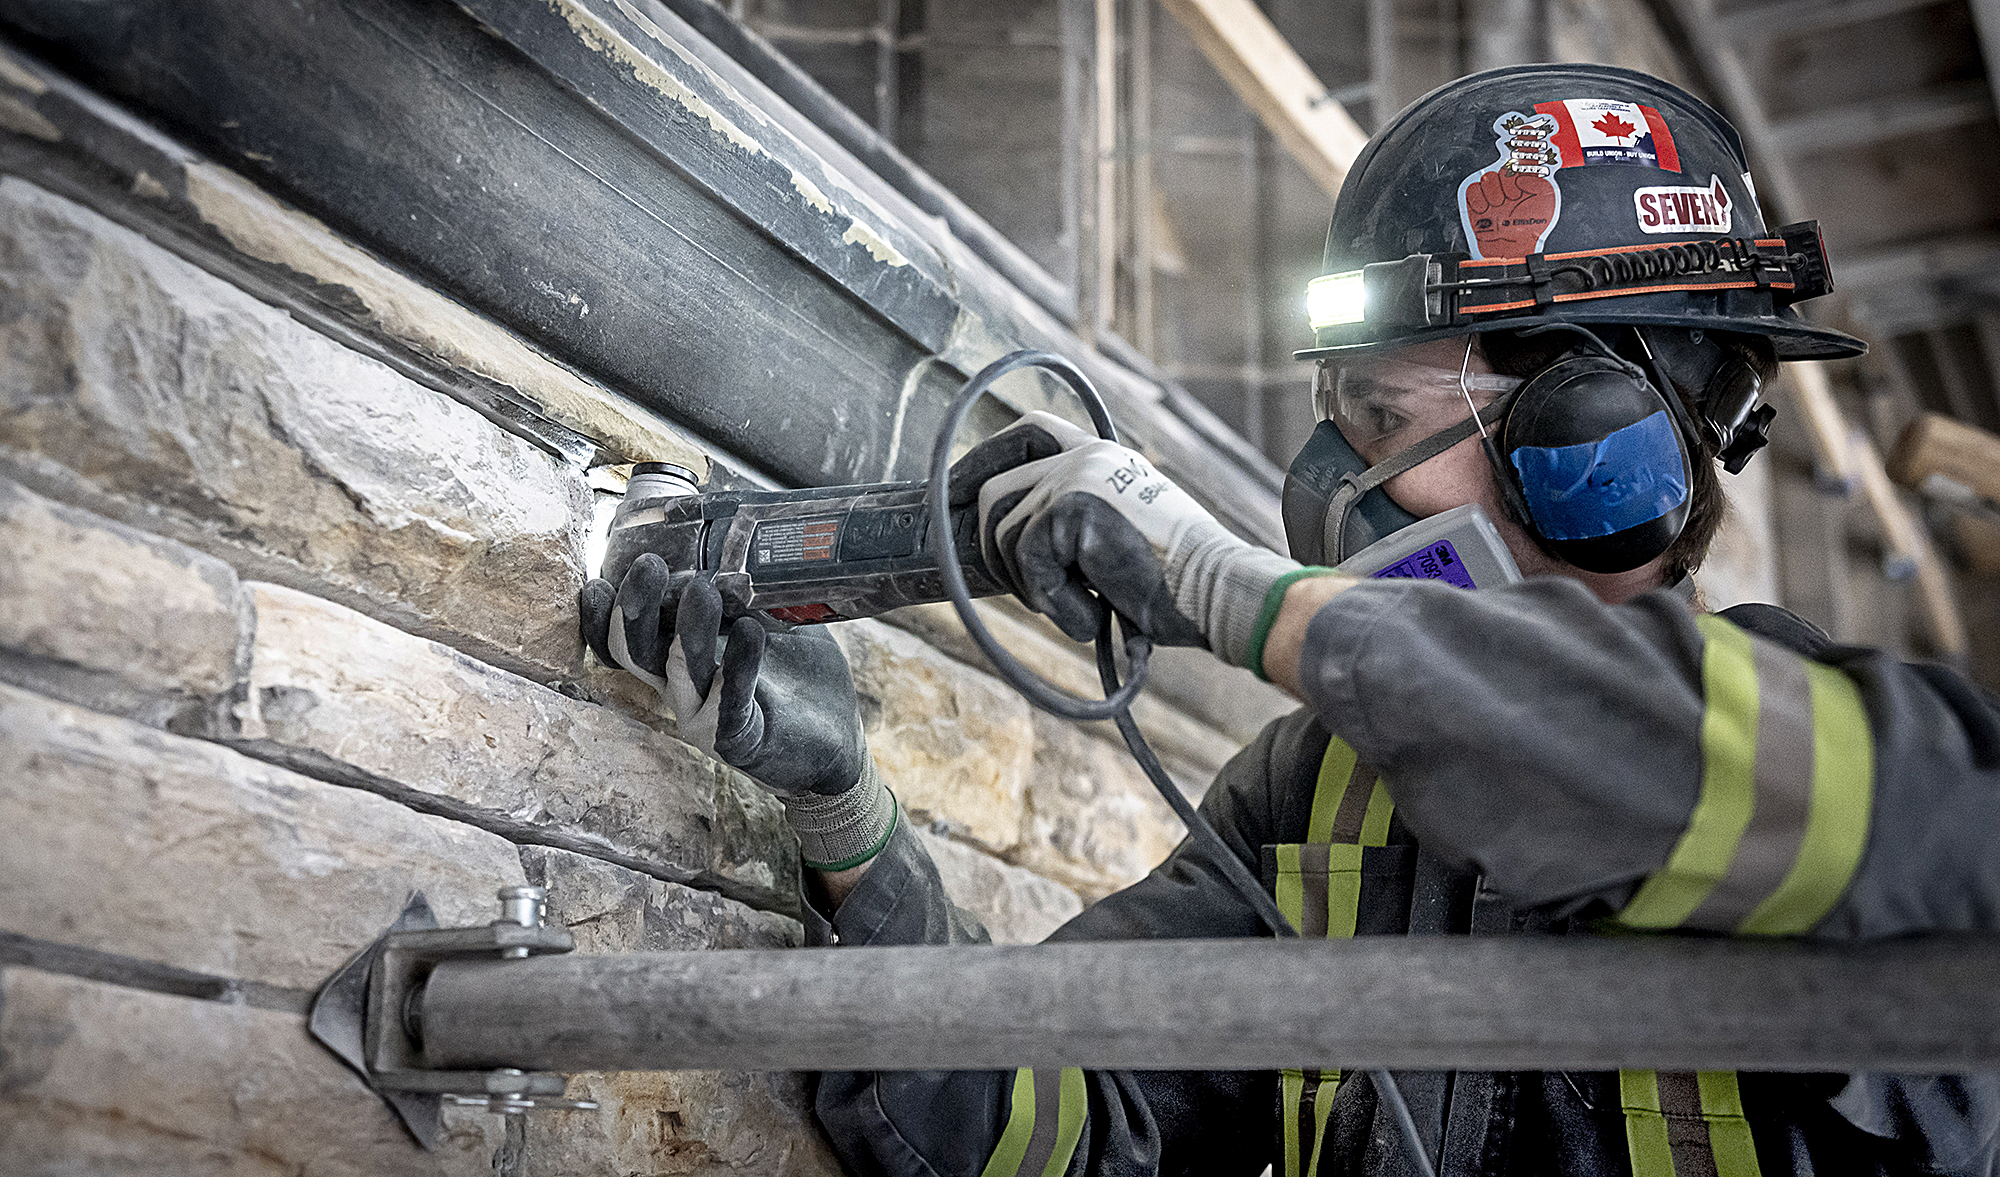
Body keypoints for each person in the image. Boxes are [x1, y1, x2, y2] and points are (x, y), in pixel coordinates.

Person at [581, 63, 2000, 1176]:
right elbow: (1060, 1134)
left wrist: (1224, 589)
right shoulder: (1315, 795)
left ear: (1599, 434)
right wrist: (849, 823)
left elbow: (1621, 755)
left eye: (1386, 418)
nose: (1341, 484)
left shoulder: (1894, 790)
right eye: (1344, 419)